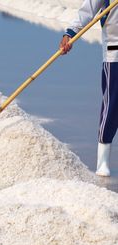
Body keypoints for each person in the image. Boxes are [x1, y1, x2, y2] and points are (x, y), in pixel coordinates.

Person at [60, 0, 118, 176]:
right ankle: (103, 161)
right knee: (113, 105)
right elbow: (88, 10)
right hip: (115, 52)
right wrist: (70, 34)